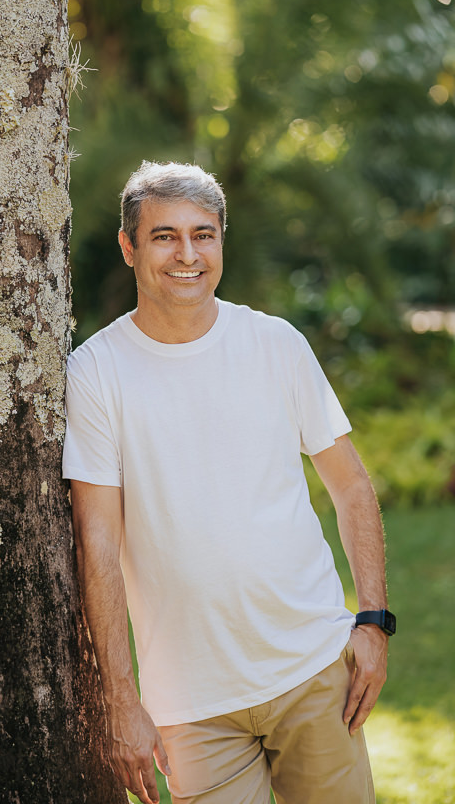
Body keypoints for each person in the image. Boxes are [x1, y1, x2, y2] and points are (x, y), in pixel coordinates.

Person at [63, 161, 394, 804]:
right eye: (164, 236)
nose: (187, 254)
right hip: (189, 703)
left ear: (221, 243)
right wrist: (121, 700)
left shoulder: (276, 344)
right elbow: (96, 541)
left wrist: (373, 622)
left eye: (203, 234)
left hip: (312, 669)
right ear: (129, 246)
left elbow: (351, 487)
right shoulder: (96, 371)